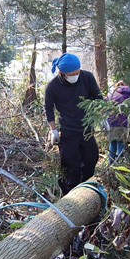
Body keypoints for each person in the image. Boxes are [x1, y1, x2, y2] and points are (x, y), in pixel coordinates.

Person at [44, 53, 102, 195]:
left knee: (91, 159)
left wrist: (102, 117)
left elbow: (98, 98)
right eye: (72, 74)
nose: (76, 75)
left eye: (77, 72)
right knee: (71, 166)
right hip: (68, 131)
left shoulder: (87, 78)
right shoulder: (53, 86)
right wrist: (53, 130)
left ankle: (87, 192)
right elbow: (48, 108)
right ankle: (68, 196)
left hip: (87, 129)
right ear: (63, 73)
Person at [106, 80, 130, 164]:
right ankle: (120, 164)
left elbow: (105, 107)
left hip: (112, 123)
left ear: (116, 86)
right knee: (121, 144)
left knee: (112, 143)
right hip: (125, 123)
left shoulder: (111, 94)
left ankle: (111, 166)